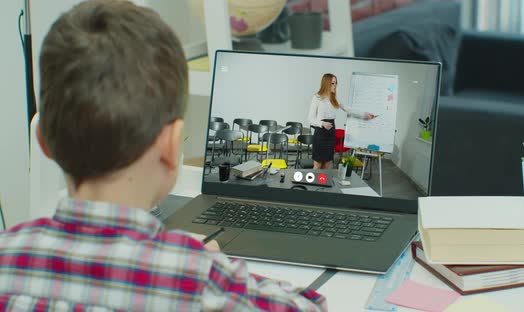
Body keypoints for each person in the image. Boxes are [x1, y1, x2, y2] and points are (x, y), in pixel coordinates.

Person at [0, 1, 326, 311]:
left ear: (44, 142)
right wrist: (213, 266)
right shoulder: (198, 279)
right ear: (172, 147)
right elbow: (310, 306)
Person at [307, 73, 375, 169]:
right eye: (332, 83)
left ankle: (324, 183)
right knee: (318, 164)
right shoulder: (317, 97)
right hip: (320, 134)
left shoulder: (334, 99)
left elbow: (349, 109)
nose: (335, 86)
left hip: (331, 134)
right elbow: (310, 119)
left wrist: (365, 114)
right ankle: (314, 184)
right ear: (326, 84)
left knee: (327, 164)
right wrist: (322, 123)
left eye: (336, 83)